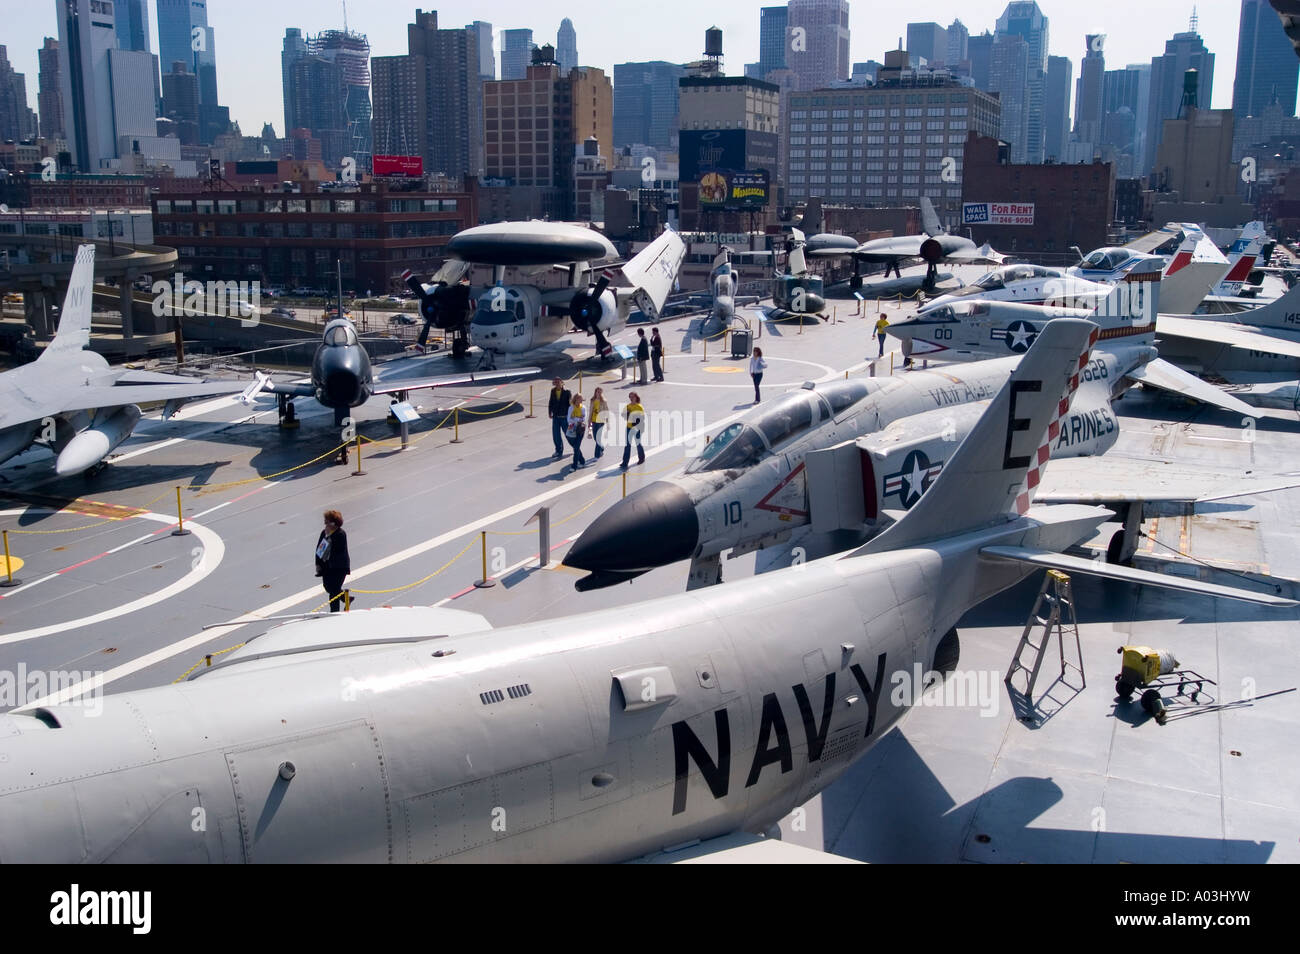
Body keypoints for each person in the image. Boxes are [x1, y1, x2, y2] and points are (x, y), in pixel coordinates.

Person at [314, 509, 351, 612]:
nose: (325, 523)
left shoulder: (340, 534)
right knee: (328, 587)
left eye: (327, 521)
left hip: (338, 567)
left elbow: (337, 550)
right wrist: (318, 564)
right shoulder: (324, 533)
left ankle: (334, 612)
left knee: (334, 591)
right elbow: (319, 549)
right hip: (326, 567)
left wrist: (329, 536)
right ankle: (345, 597)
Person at [547, 377, 572, 460]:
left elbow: (570, 404)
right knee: (556, 435)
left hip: (564, 417)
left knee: (568, 434)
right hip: (556, 417)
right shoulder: (553, 391)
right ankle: (558, 451)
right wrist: (549, 412)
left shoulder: (567, 391)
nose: (557, 384)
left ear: (562, 382)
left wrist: (571, 416)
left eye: (558, 382)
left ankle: (575, 446)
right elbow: (551, 402)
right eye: (555, 382)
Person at [621, 392, 646, 469]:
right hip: (629, 427)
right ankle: (625, 462)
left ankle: (641, 458)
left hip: (637, 427)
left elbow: (642, 418)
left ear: (636, 397)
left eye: (632, 397)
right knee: (627, 445)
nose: (631, 398)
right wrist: (626, 414)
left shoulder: (639, 407)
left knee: (638, 443)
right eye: (630, 397)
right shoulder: (628, 406)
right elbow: (623, 415)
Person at [566, 392, 588, 468]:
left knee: (576, 447)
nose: (581, 401)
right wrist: (577, 419)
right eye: (579, 399)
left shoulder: (583, 408)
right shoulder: (571, 408)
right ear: (575, 399)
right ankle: (582, 460)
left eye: (581, 399)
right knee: (575, 446)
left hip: (580, 429)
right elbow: (569, 419)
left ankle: (574, 465)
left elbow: (583, 419)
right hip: (572, 428)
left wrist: (575, 419)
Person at [589, 387, 608, 459]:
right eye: (598, 392)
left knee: (598, 437)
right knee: (595, 436)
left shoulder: (604, 401)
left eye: (600, 392)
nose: (599, 393)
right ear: (595, 392)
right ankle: (601, 447)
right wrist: (589, 420)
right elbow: (590, 410)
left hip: (601, 421)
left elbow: (606, 411)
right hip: (594, 420)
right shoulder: (592, 400)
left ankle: (596, 455)